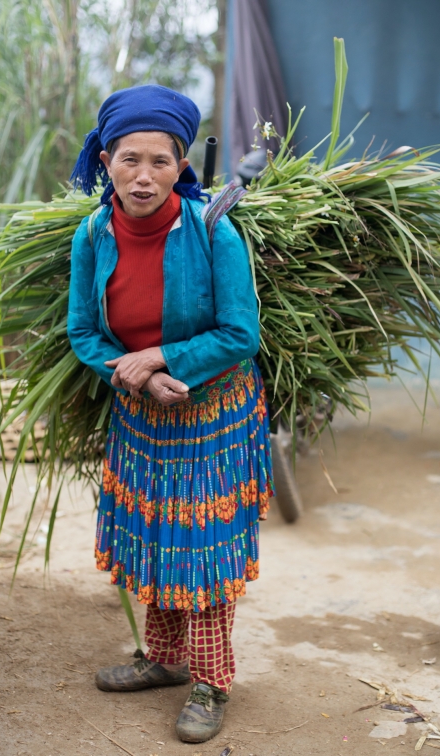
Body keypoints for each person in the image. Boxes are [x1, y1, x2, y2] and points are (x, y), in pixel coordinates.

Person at [67, 84, 273, 744]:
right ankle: (163, 659)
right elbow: (85, 333)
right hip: (142, 413)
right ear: (105, 162)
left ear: (183, 166)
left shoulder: (215, 229)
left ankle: (211, 682)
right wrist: (130, 377)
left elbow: (241, 334)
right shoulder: (94, 233)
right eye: (130, 159)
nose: (145, 176)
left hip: (212, 412)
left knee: (202, 550)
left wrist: (157, 357)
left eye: (161, 161)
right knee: (156, 538)